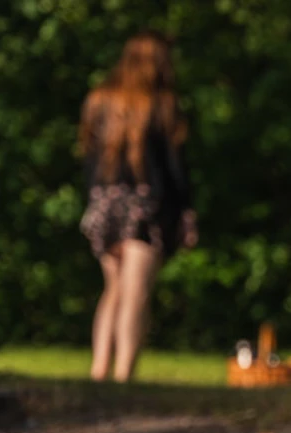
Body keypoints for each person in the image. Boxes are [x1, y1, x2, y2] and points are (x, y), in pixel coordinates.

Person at [78, 30, 197, 383]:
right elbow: (174, 167)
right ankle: (124, 373)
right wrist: (186, 212)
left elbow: (88, 159)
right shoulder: (161, 103)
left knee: (112, 289)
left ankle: (100, 369)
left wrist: (94, 200)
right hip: (147, 206)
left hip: (103, 202)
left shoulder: (99, 100)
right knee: (136, 292)